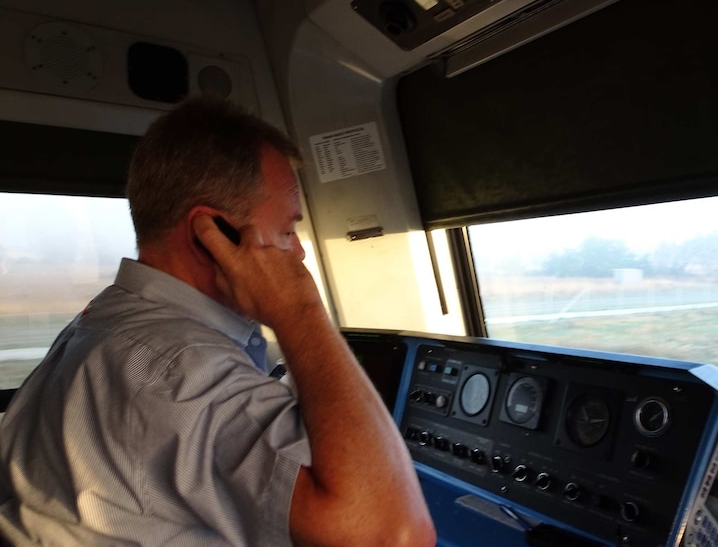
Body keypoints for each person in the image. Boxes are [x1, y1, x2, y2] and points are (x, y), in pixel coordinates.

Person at [0, 96, 436, 547]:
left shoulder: (105, 320)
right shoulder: (179, 368)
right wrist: (299, 310)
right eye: (287, 231)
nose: (300, 253)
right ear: (212, 237)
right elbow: (394, 535)